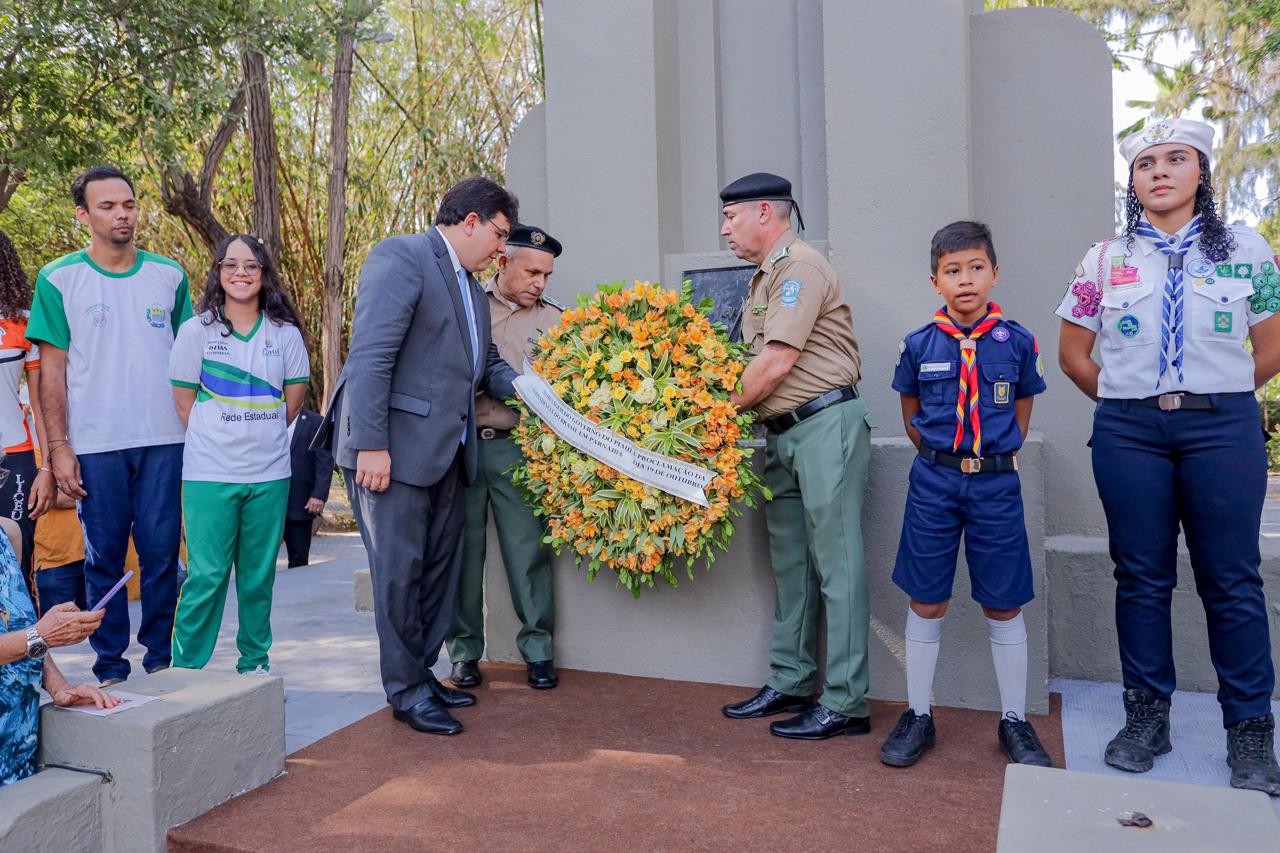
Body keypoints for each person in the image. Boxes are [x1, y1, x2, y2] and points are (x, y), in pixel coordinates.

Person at [1057, 118, 1280, 795]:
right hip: (1130, 434)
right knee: (1141, 576)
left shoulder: (1246, 249)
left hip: (1222, 429)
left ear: (1201, 173)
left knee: (1232, 578)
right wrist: (1132, 400)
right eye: (1146, 163)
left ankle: (1249, 733)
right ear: (1132, 180)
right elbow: (1072, 353)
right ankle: (1145, 719)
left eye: (1175, 159)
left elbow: (1271, 344)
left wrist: (1221, 398)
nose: (1158, 171)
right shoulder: (1104, 257)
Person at [321, 176, 519, 735]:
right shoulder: (402, 257)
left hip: (447, 454)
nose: (501, 249)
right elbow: (371, 359)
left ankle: (422, 673)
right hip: (393, 453)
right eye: (499, 234)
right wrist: (371, 446)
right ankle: (405, 691)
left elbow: (489, 366)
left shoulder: (473, 290)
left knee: (437, 573)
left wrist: (535, 392)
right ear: (471, 221)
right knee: (399, 574)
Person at [878, 221, 1051, 769]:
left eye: (976, 267)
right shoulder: (918, 344)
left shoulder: (1018, 341)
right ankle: (919, 714)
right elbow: (910, 413)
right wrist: (944, 455)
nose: (966, 279)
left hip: (996, 483)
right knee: (927, 597)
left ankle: (1014, 721)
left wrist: (997, 452)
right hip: (935, 482)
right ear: (936, 281)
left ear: (994, 273)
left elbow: (1022, 407)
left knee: (1003, 601)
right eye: (953, 271)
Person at [717, 172, 874, 739]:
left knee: (837, 564)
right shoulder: (766, 277)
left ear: (765, 212)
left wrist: (717, 416)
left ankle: (845, 702)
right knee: (792, 566)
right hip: (780, 432)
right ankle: (791, 679)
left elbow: (777, 360)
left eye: (731, 217)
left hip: (822, 425)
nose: (724, 229)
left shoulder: (799, 268)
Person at [26, 166, 192, 686]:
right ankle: (111, 666)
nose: (122, 214)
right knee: (103, 559)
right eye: (107, 206)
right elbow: (51, 372)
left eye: (128, 204)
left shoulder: (169, 275)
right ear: (83, 215)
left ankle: (161, 658)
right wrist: (59, 450)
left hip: (166, 440)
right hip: (97, 445)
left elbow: (191, 363)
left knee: (164, 555)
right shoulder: (58, 278)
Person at [169, 234, 308, 675]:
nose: (240, 273)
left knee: (257, 577)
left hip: (269, 474)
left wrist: (256, 437)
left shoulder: (284, 335)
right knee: (207, 577)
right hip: (209, 473)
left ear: (264, 274)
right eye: (230, 265)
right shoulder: (196, 331)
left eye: (250, 266)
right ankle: (185, 670)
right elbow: (183, 406)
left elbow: (292, 404)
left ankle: (254, 664)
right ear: (218, 273)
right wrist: (220, 439)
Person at [446, 225, 562, 691]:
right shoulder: (469, 307)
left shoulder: (556, 321)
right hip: (466, 445)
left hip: (519, 448)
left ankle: (537, 651)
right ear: (503, 263)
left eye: (546, 275)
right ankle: (463, 653)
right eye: (532, 271)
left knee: (527, 551)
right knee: (462, 553)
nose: (539, 282)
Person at [0, 505, 116, 786]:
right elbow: (32, 636)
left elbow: (20, 627)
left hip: (17, 753)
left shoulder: (8, 532)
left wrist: (59, 687)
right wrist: (40, 635)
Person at [0, 230, 55, 580]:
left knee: (17, 561)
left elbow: (40, 401)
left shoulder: (23, 320)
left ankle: (20, 634)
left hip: (16, 455)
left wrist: (47, 467)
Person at [283, 407, 333, 568]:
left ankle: (297, 590)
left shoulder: (316, 422)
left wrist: (319, 494)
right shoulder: (266, 420)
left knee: (298, 557)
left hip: (299, 501)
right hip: (268, 502)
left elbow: (324, 462)